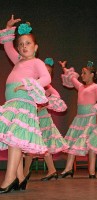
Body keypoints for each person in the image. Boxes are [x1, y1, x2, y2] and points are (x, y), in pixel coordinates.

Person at [0, 15, 51, 194]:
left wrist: (29, 84)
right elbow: (7, 45)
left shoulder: (36, 62)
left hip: (24, 104)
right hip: (12, 104)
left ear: (35, 47)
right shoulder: (18, 61)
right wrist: (8, 28)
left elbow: (46, 78)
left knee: (15, 138)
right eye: (20, 44)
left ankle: (9, 178)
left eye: (27, 43)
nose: (23, 47)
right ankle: (20, 178)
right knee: (15, 139)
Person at [58, 60, 97, 179]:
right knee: (72, 143)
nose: (81, 75)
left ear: (92, 75)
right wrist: (64, 68)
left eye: (84, 73)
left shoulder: (96, 87)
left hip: (91, 118)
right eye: (81, 73)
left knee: (91, 146)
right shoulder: (81, 87)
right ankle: (68, 169)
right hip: (79, 119)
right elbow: (72, 78)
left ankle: (92, 171)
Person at [23, 58, 69, 181]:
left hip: (42, 119)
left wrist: (44, 104)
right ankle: (50, 170)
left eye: (49, 72)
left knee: (36, 145)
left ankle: (26, 172)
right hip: (33, 118)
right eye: (45, 71)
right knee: (32, 145)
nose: (46, 73)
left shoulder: (47, 86)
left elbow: (57, 98)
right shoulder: (34, 83)